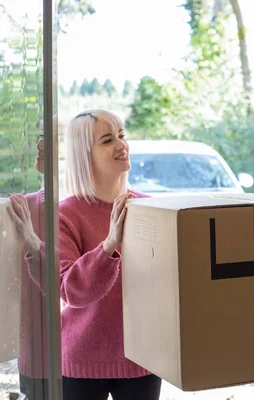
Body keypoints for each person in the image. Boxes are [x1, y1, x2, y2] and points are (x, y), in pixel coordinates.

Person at [58, 109, 161, 399]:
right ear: (83, 155)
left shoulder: (151, 209)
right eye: (107, 140)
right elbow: (70, 291)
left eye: (121, 135)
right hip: (80, 360)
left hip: (143, 358)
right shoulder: (64, 216)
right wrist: (109, 244)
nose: (121, 145)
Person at [8, 126, 49, 399]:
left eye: (51, 134)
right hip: (33, 352)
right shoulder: (22, 207)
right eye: (41, 131)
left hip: (70, 359)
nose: (40, 142)